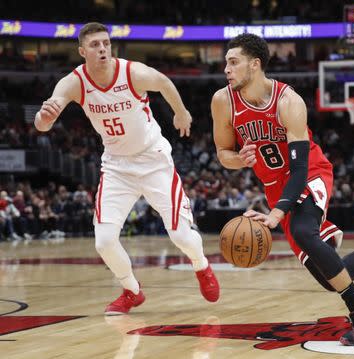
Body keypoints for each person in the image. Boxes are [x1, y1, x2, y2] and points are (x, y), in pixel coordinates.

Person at [210, 33, 354, 346]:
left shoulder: (288, 101)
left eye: (233, 62)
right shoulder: (222, 101)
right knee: (329, 277)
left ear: (255, 65)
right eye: (226, 62)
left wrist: (277, 213)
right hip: (272, 186)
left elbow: (299, 169)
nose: (226, 68)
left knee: (306, 232)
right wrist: (239, 159)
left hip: (309, 175)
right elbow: (223, 152)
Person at [34, 22, 219, 315]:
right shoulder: (74, 82)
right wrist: (43, 118)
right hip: (117, 166)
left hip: (153, 160)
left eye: (106, 43)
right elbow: (43, 123)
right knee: (104, 241)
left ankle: (202, 266)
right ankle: (132, 291)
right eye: (95, 45)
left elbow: (164, 83)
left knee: (181, 236)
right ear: (82, 51)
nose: (103, 49)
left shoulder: (131, 72)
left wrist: (181, 114)